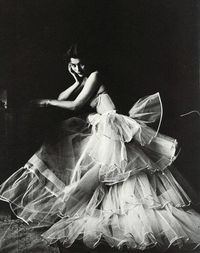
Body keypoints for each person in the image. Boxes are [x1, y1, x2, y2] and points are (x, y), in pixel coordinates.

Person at [0, 43, 200, 252]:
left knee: (114, 172)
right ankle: (110, 212)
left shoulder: (94, 74)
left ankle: (130, 219)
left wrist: (45, 102)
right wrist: (76, 81)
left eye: (81, 64)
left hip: (110, 125)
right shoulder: (85, 78)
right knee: (103, 172)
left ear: (89, 62)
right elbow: (63, 98)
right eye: (74, 65)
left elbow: (75, 105)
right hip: (103, 125)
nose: (79, 69)